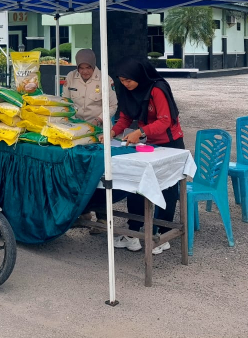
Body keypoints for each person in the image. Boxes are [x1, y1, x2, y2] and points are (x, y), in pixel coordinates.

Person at [99, 57, 184, 255]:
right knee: (138, 184)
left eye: (128, 80)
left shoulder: (158, 88)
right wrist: (112, 132)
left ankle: (164, 234)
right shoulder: (127, 89)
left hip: (170, 144)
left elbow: (165, 120)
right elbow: (126, 116)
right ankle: (133, 233)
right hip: (149, 144)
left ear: (139, 76)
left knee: (167, 187)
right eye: (121, 80)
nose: (125, 84)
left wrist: (140, 132)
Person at [61, 49, 117, 127]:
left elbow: (112, 106)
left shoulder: (105, 79)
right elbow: (65, 101)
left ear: (93, 65)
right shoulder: (71, 77)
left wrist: (98, 119)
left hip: (99, 129)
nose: (85, 71)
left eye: (88, 67)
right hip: (75, 126)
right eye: (81, 68)